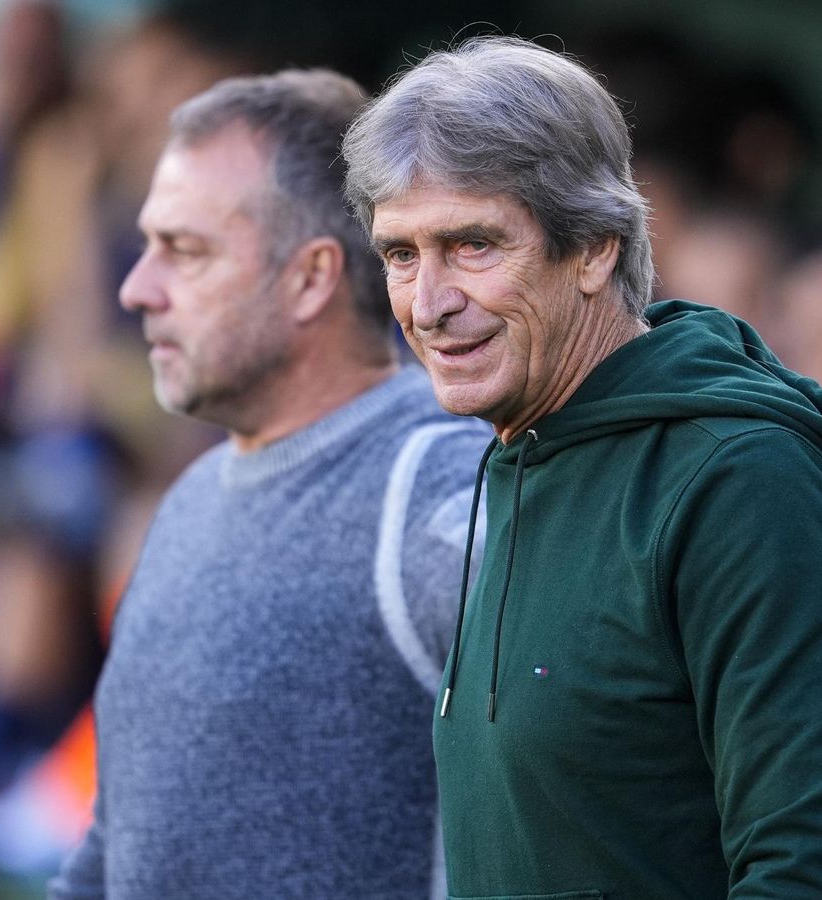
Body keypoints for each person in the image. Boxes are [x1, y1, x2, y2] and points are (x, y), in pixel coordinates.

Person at [343, 37, 822, 898]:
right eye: (401, 255)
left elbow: (813, 873)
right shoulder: (525, 449)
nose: (428, 304)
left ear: (595, 248)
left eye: (473, 245)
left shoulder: (746, 483)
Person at [47, 69, 490, 899]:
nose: (137, 289)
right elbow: (114, 841)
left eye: (185, 251)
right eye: (147, 246)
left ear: (311, 277)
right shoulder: (189, 501)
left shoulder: (438, 495)